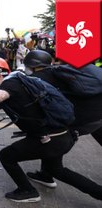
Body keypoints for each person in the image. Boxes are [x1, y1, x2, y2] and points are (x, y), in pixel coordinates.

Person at [0, 57, 102, 202]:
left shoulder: (11, 85)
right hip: (62, 135)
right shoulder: (20, 80)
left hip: (50, 140)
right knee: (56, 169)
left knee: (6, 156)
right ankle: (57, 180)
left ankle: (28, 191)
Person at [23, 50, 102, 187]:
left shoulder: (41, 77)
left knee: (55, 152)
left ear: (33, 65)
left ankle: (97, 192)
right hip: (97, 117)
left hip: (79, 121)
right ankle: (45, 175)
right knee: (52, 145)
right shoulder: (63, 71)